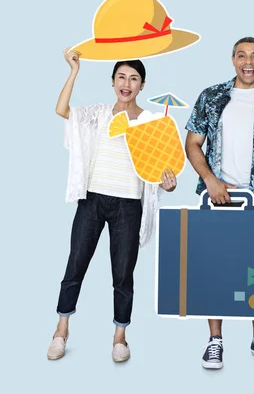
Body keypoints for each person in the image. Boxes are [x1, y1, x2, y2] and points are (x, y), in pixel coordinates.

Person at [47, 49, 177, 362]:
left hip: (129, 205)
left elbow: (159, 172)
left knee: (123, 274)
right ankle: (61, 330)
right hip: (92, 199)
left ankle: (120, 336)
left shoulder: (152, 122)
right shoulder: (99, 114)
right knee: (75, 264)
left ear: (142, 85)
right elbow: (62, 109)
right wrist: (74, 71)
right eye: (121, 77)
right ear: (113, 81)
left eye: (134, 78)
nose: (127, 83)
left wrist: (168, 183)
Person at [185, 37, 254, 369]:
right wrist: (210, 180)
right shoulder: (211, 96)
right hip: (217, 197)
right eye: (242, 55)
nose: (249, 61)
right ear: (232, 59)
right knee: (214, 267)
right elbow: (192, 143)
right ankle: (215, 340)